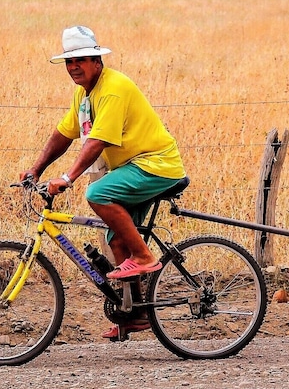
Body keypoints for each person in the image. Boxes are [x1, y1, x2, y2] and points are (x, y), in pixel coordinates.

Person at [20, 25, 187, 339]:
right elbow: (64, 134)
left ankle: (145, 257)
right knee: (115, 239)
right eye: (69, 62)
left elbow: (96, 141)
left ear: (97, 60)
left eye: (80, 60)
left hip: (156, 165)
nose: (74, 68)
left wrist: (68, 177)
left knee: (98, 192)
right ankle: (136, 315)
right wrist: (36, 169)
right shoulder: (84, 95)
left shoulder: (112, 88)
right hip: (133, 167)